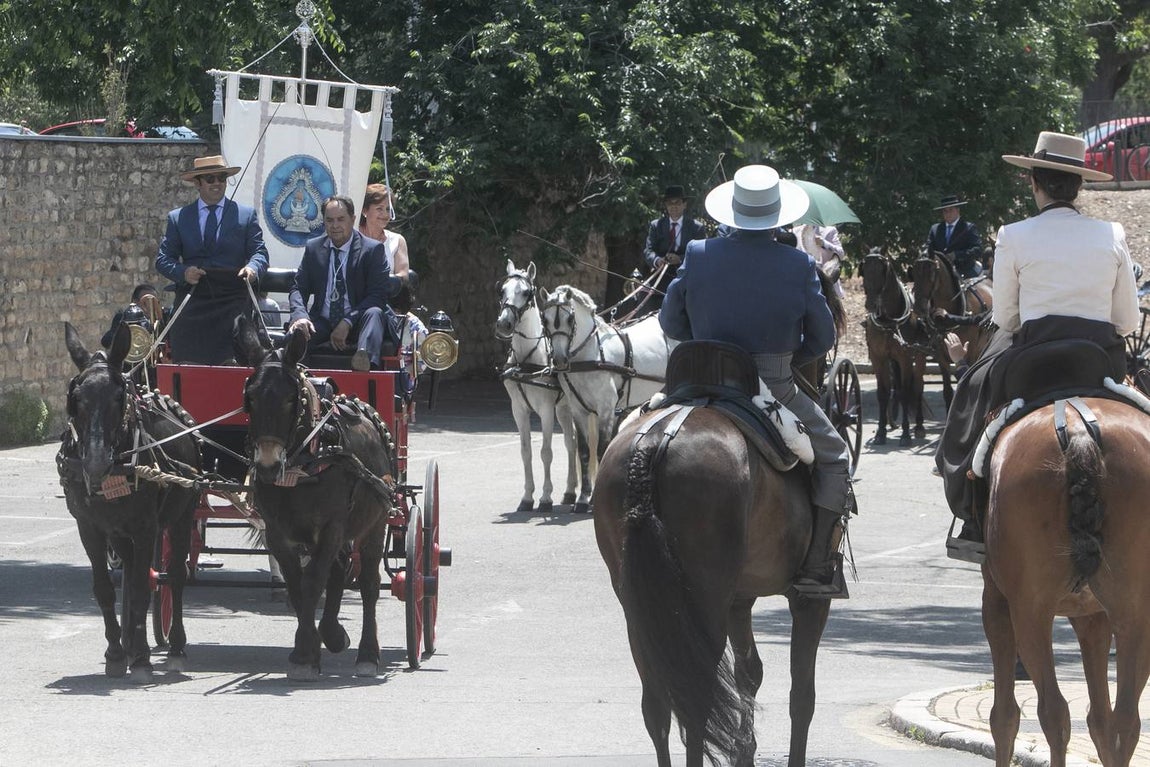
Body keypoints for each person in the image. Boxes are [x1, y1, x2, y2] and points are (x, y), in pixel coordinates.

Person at [936, 131, 1139, 562]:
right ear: (1078, 185)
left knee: (971, 399)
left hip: (1033, 360)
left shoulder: (1012, 234)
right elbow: (1127, 321)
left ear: (1034, 182)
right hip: (1099, 360)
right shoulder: (1112, 233)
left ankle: (971, 512)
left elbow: (1007, 319)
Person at [659, 164, 855, 598]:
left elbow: (670, 320)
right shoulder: (798, 263)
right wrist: (788, 360)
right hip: (771, 386)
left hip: (696, 380)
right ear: (776, 215)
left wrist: (702, 345)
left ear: (732, 211)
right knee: (836, 455)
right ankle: (818, 563)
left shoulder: (697, 252)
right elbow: (823, 337)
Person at [155, 155, 268, 364]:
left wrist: (252, 268)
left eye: (221, 178)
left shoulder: (246, 215)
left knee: (241, 342)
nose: (217, 183)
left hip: (233, 298)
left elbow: (260, 253)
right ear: (197, 183)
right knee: (183, 343)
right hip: (193, 297)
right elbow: (163, 259)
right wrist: (183, 272)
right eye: (210, 179)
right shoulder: (178, 218)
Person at [288, 195, 400, 371]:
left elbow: (377, 296)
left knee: (375, 312)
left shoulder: (372, 250)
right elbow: (298, 288)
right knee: (298, 333)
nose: (335, 225)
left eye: (341, 219)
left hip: (359, 320)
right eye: (329, 220)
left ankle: (364, 364)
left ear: (353, 219)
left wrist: (348, 321)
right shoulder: (314, 248)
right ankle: (297, 379)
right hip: (324, 321)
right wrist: (300, 316)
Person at [641, 185, 707, 311]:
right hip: (660, 277)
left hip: (685, 278)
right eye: (670, 203)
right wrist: (657, 260)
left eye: (677, 202)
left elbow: (701, 254)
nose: (674, 206)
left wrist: (680, 259)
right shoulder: (656, 225)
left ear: (684, 205)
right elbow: (648, 250)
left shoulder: (696, 227)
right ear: (666, 205)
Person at [359, 183, 410, 283]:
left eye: (388, 209)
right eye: (379, 208)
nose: (385, 214)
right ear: (365, 211)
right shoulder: (352, 236)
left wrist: (384, 281)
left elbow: (403, 275)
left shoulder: (397, 240)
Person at [925, 194, 984, 279]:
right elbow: (928, 248)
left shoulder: (968, 228)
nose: (948, 213)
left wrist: (957, 255)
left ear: (957, 210)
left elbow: (978, 249)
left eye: (951, 210)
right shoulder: (935, 229)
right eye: (945, 211)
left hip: (964, 271)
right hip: (940, 271)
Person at [794, 223, 846, 297]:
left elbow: (841, 253)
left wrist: (824, 243)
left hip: (826, 283)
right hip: (804, 284)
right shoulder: (795, 231)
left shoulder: (829, 230)